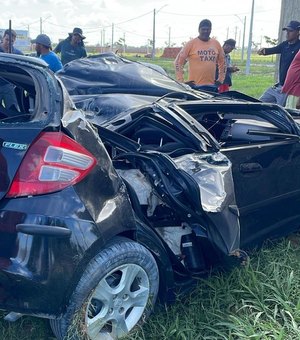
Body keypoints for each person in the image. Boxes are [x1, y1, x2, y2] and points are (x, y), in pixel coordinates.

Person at [174, 19, 225, 92]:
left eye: (208, 29)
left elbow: (222, 62)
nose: (205, 31)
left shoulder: (216, 44)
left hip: (212, 86)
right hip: (195, 87)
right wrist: (181, 82)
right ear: (199, 30)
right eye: (203, 29)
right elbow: (178, 62)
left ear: (211, 30)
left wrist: (220, 80)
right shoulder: (191, 44)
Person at [257, 20, 300, 106]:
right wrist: (263, 51)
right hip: (279, 86)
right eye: (286, 31)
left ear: (298, 32)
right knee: (259, 104)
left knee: (282, 113)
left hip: (289, 88)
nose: (287, 33)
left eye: (290, 31)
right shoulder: (284, 45)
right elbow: (272, 50)